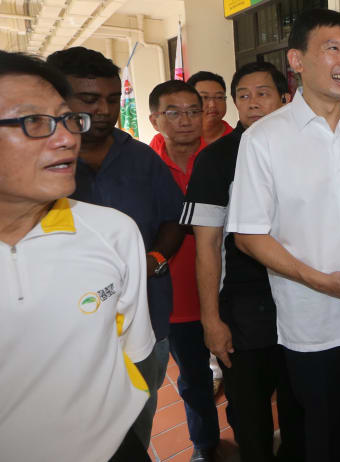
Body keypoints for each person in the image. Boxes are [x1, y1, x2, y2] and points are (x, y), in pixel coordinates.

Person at [227, 9, 340, 462]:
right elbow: (248, 236)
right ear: (297, 60)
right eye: (332, 48)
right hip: (315, 323)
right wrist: (318, 279)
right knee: (325, 437)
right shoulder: (263, 141)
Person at [0, 50, 155, 461]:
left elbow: (131, 353)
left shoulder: (113, 233)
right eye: (33, 122)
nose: (68, 137)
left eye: (68, 119)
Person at [46, 46, 185, 449]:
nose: (104, 110)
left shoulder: (140, 157)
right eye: (89, 100)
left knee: (138, 423)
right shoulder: (36, 163)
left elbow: (174, 217)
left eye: (112, 99)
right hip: (68, 330)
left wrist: (154, 261)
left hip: (143, 317)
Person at [182, 62, 304, 461]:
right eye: (244, 95)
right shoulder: (216, 159)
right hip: (245, 309)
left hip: (304, 303)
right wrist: (211, 320)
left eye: (263, 93)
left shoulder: (309, 149)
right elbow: (207, 246)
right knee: (251, 420)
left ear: (285, 98)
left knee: (303, 410)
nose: (252, 103)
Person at [149, 80, 221, 462]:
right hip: (173, 297)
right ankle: (205, 443)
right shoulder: (145, 167)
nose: (186, 121)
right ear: (155, 119)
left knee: (244, 374)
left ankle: (251, 435)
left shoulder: (221, 159)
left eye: (193, 111)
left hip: (226, 290)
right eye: (173, 113)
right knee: (194, 379)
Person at [150, 71, 232, 153]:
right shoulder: (162, 141)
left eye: (219, 97)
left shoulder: (238, 138)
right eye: (204, 97)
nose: (212, 105)